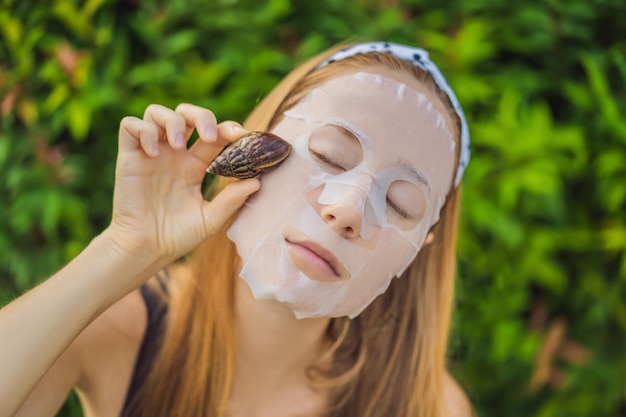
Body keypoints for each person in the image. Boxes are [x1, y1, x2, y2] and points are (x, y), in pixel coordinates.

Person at [0, 42, 472, 417]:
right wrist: (125, 250)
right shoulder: (123, 329)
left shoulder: (430, 408)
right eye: (328, 156)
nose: (347, 209)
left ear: (419, 249)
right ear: (260, 141)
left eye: (398, 203)